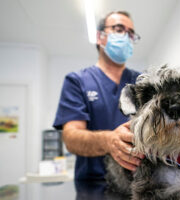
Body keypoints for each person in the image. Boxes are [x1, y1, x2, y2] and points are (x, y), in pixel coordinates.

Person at [53, 11, 144, 180]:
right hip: (93, 186)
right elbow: (71, 137)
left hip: (142, 183)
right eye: (119, 29)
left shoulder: (142, 82)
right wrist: (109, 141)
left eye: (131, 33)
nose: (126, 36)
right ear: (100, 37)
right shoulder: (77, 81)